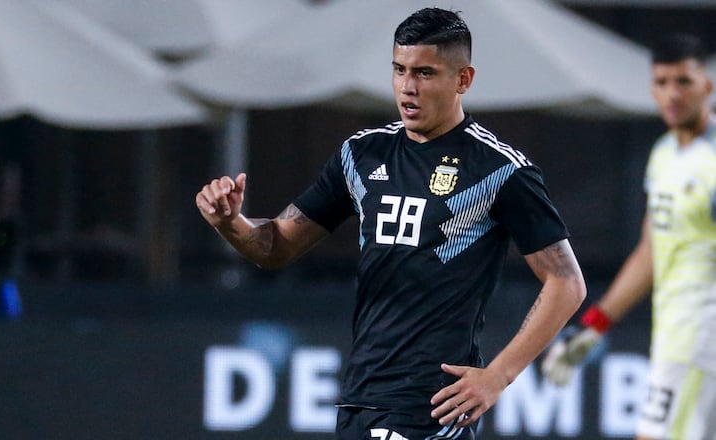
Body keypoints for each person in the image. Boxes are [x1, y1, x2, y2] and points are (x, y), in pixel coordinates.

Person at [197, 8, 586, 440]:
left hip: (429, 404)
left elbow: (566, 283)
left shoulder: (499, 170)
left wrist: (497, 376)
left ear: (463, 80)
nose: (407, 87)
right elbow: (275, 248)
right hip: (362, 398)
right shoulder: (361, 155)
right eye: (399, 70)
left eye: (424, 73)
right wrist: (230, 223)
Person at [541, 33, 716, 440]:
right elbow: (651, 249)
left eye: (684, 81)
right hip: (676, 332)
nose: (672, 93)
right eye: (662, 82)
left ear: (707, 85)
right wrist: (596, 323)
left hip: (699, 337)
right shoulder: (664, 154)